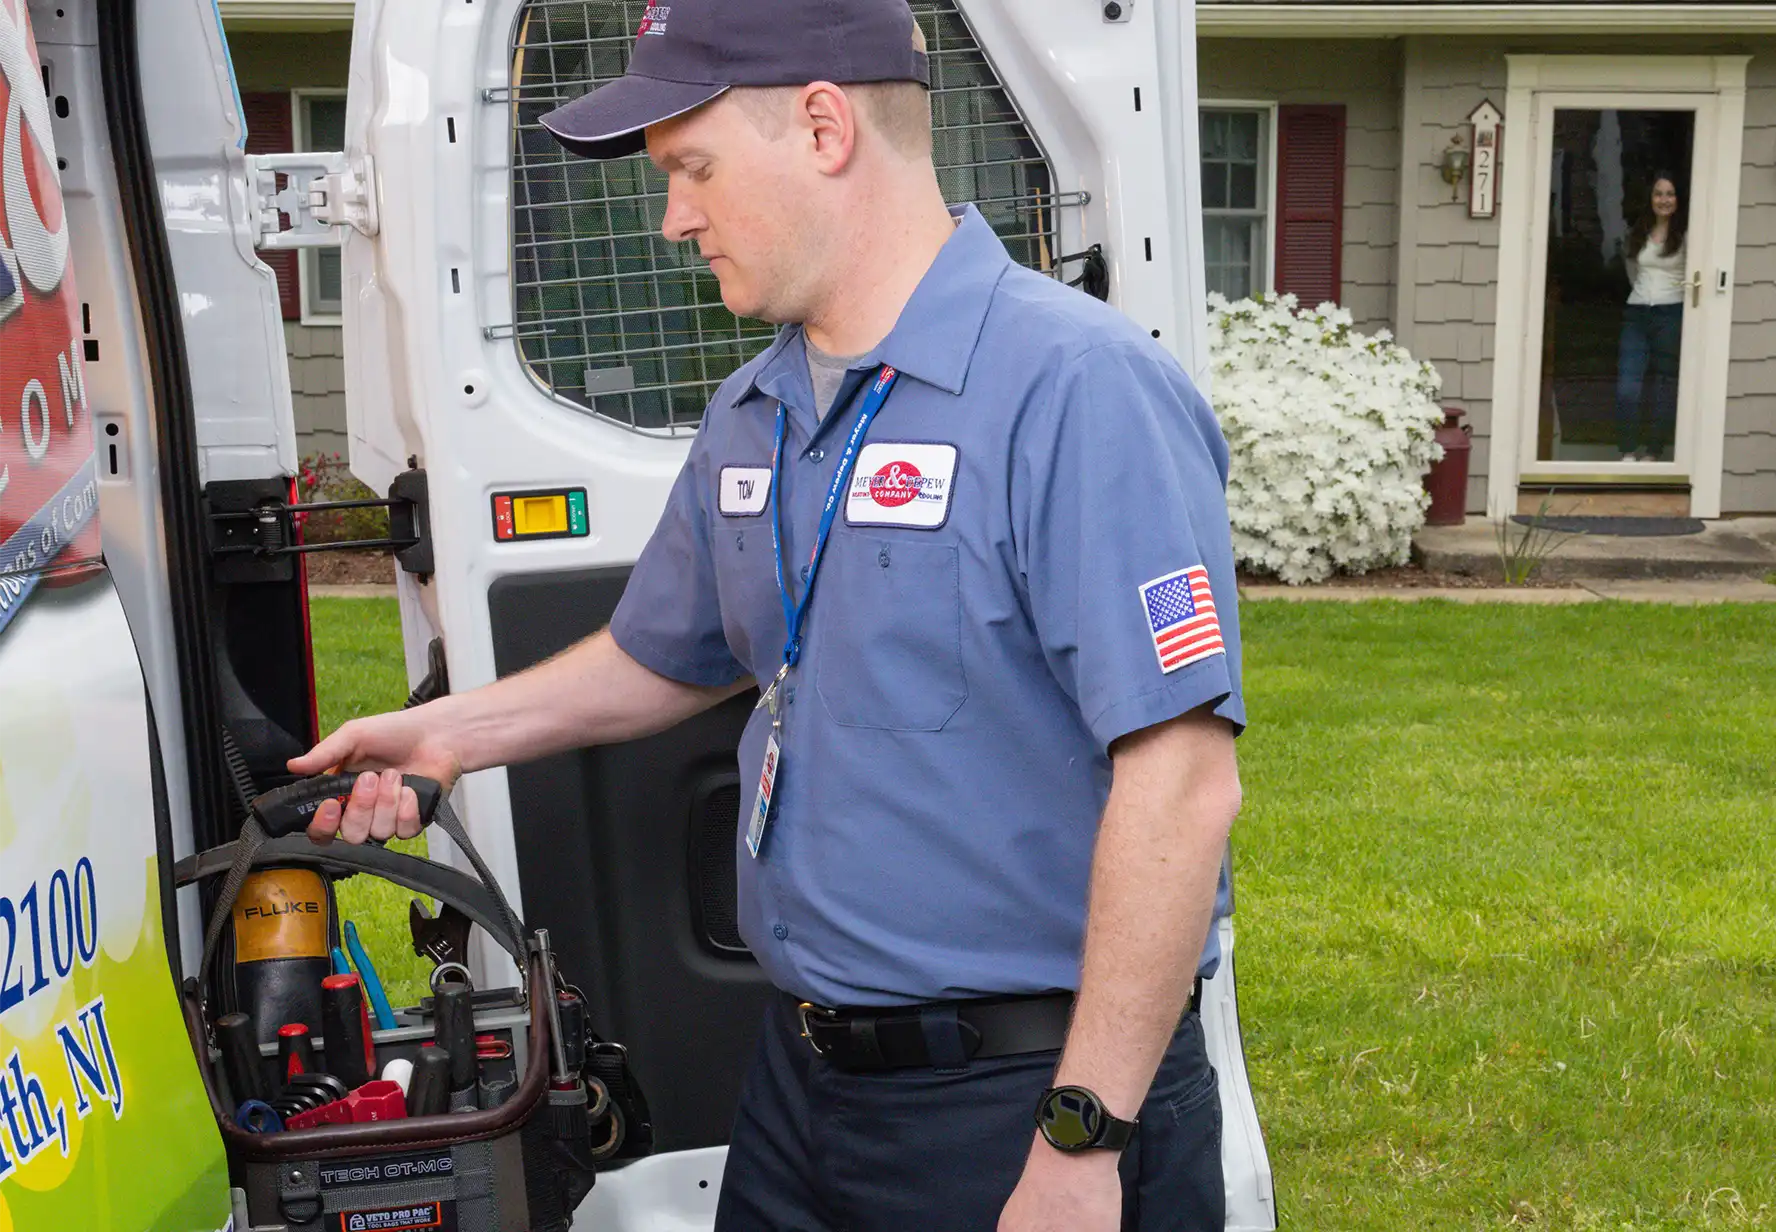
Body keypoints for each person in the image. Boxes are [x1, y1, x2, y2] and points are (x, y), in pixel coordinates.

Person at [287, 2, 1246, 1228]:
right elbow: (665, 652)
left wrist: (1083, 1136)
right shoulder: (759, 406)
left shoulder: (1076, 390)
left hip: (1025, 1103)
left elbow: (1182, 783)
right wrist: (449, 736)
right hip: (804, 1087)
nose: (675, 215)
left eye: (693, 167)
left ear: (824, 125)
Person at [1616, 173, 1687, 463]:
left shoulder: (1686, 234)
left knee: (1663, 385)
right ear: (1650, 198)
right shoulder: (1638, 232)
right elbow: (1632, 270)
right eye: (1658, 194)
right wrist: (1644, 295)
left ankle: (1654, 452)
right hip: (1637, 312)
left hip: (1671, 312)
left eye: (1670, 194)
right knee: (1627, 386)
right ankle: (1627, 450)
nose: (1664, 200)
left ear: (1678, 199)